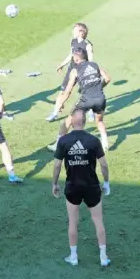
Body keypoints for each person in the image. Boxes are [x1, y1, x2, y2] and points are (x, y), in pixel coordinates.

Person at [52, 108, 111, 267]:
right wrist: (106, 182)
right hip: (92, 186)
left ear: (71, 121)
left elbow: (57, 165)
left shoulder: (63, 141)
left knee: (73, 222)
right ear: (85, 122)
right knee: (98, 221)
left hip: (72, 187)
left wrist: (55, 183)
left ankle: (73, 257)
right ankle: (103, 257)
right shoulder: (93, 140)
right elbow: (104, 164)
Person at [47, 47, 111, 153]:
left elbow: (68, 91)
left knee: (67, 121)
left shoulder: (75, 70)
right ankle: (105, 144)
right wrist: (99, 87)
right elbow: (108, 78)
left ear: (76, 59)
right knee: (99, 121)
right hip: (100, 98)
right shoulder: (95, 65)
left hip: (86, 99)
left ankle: (57, 145)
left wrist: (60, 104)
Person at [47, 23, 96, 123]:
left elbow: (90, 60)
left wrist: (90, 72)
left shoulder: (87, 45)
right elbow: (71, 55)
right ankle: (55, 113)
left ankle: (91, 110)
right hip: (72, 70)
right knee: (64, 92)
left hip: (82, 71)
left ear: (81, 32)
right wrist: (62, 64)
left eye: (75, 30)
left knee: (87, 93)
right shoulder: (73, 41)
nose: (72, 32)